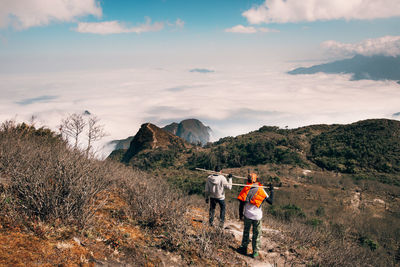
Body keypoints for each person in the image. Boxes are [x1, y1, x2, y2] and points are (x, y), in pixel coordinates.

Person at [237, 173, 274, 258]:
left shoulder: (245, 189)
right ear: (256, 179)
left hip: (247, 215)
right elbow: (271, 201)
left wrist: (240, 215)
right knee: (256, 234)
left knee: (246, 232)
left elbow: (241, 204)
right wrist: (272, 191)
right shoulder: (260, 189)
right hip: (257, 216)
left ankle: (244, 248)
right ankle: (255, 252)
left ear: (248, 180)